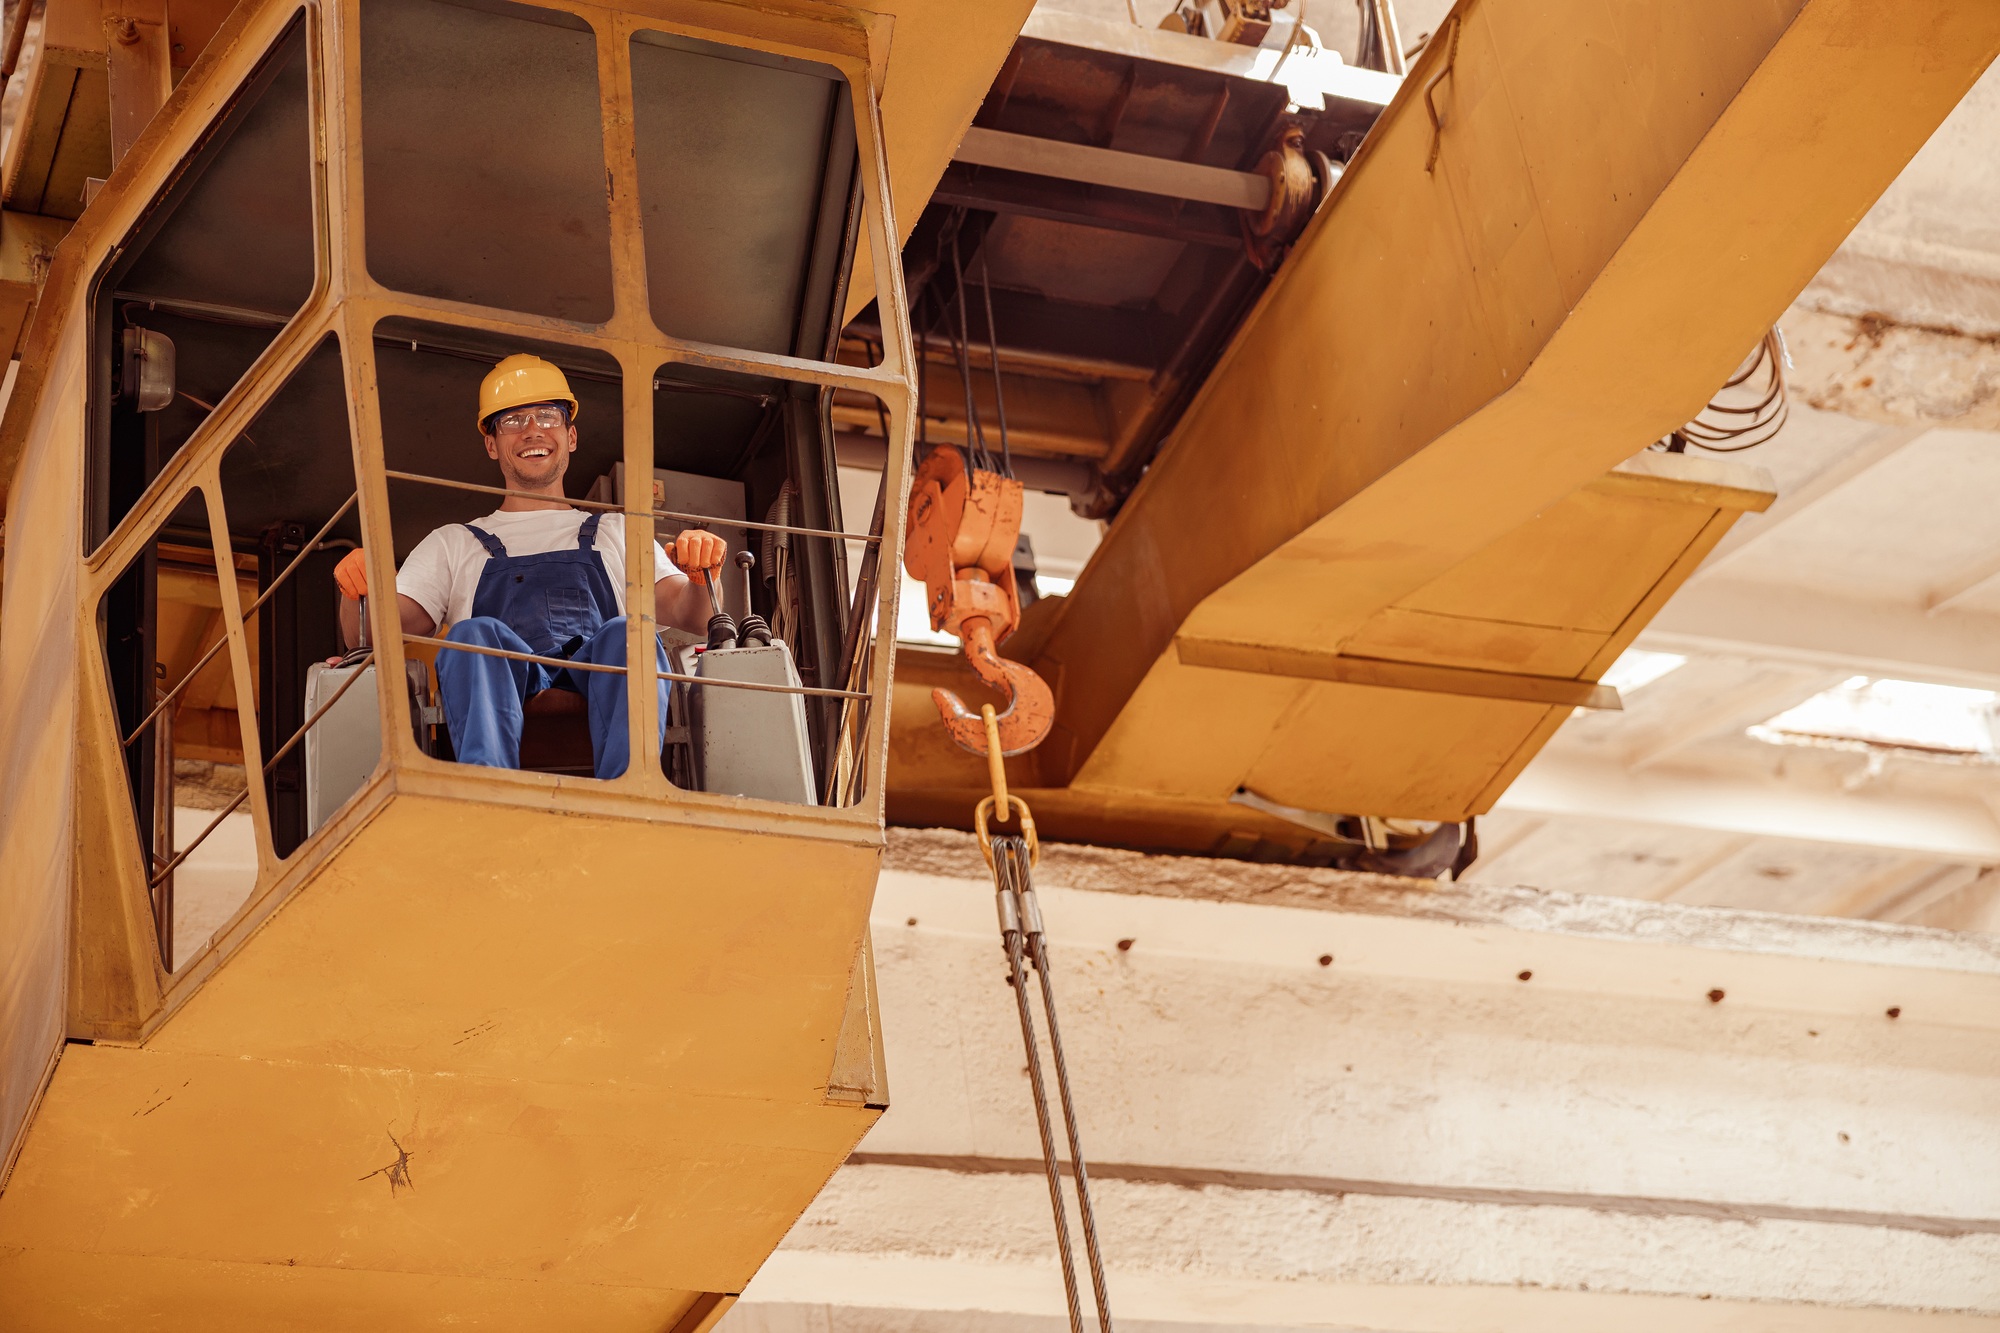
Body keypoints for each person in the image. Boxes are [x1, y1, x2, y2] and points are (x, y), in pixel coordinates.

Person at [333, 353, 726, 779]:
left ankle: (634, 790)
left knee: (630, 633)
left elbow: (696, 616)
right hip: (501, 683)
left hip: (600, 678)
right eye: (513, 421)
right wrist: (359, 587)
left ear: (570, 435)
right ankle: (491, 792)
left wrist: (701, 573)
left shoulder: (618, 531)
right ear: (492, 444)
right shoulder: (454, 543)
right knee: (474, 635)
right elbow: (370, 634)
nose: (533, 430)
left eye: (547, 415)